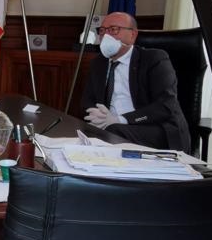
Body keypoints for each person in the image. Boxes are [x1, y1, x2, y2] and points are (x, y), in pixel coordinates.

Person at [81, 11, 191, 152]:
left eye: (113, 30)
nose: (106, 36)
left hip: (154, 128)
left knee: (111, 132)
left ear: (133, 35)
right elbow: (87, 101)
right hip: (110, 127)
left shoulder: (154, 59)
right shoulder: (98, 63)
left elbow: (165, 106)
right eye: (102, 31)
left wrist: (121, 119)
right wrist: (97, 115)